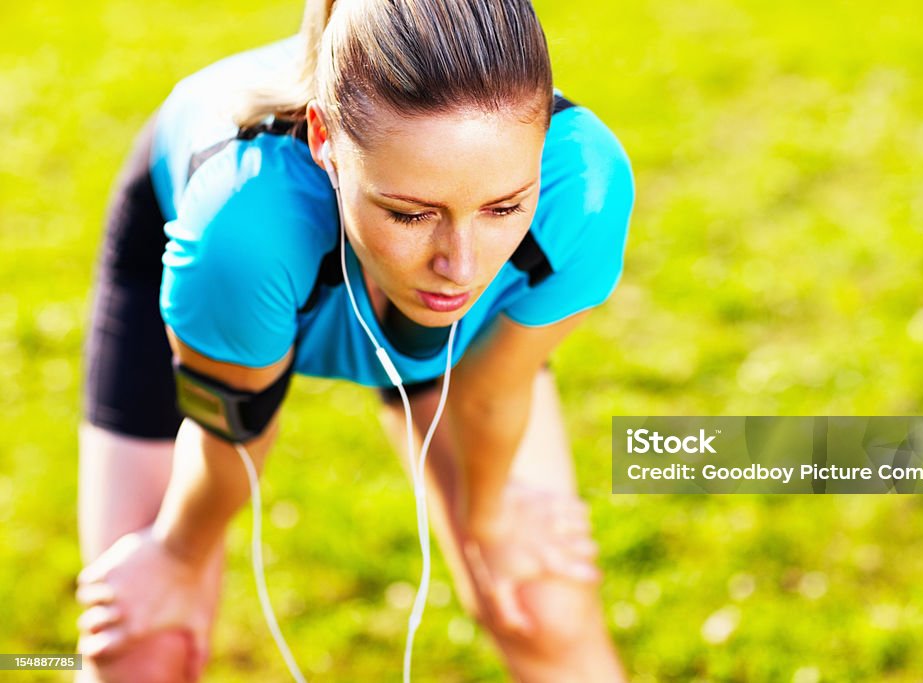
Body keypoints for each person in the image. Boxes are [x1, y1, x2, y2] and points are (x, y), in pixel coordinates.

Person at [74, 0, 634, 680]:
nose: (461, 265)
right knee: (141, 646)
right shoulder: (241, 229)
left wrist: (488, 519)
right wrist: (178, 552)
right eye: (410, 212)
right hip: (236, 281)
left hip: (426, 336)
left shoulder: (583, 191)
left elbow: (491, 391)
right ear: (324, 142)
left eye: (502, 206)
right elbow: (232, 430)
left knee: (545, 605)